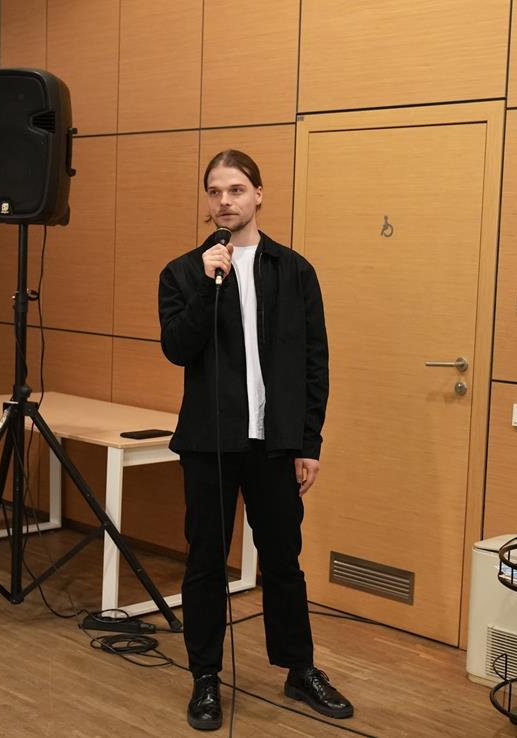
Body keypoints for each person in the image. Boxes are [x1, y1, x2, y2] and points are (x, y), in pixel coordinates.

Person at [158, 150, 354, 731]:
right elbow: (178, 348)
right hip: (209, 444)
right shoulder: (183, 272)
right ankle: (205, 678)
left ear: (259, 194)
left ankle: (299, 669)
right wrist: (207, 284)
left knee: (283, 562)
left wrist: (309, 442)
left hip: (275, 444)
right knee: (205, 564)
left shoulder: (294, 271)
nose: (225, 201)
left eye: (237, 189)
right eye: (215, 191)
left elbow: (315, 362)